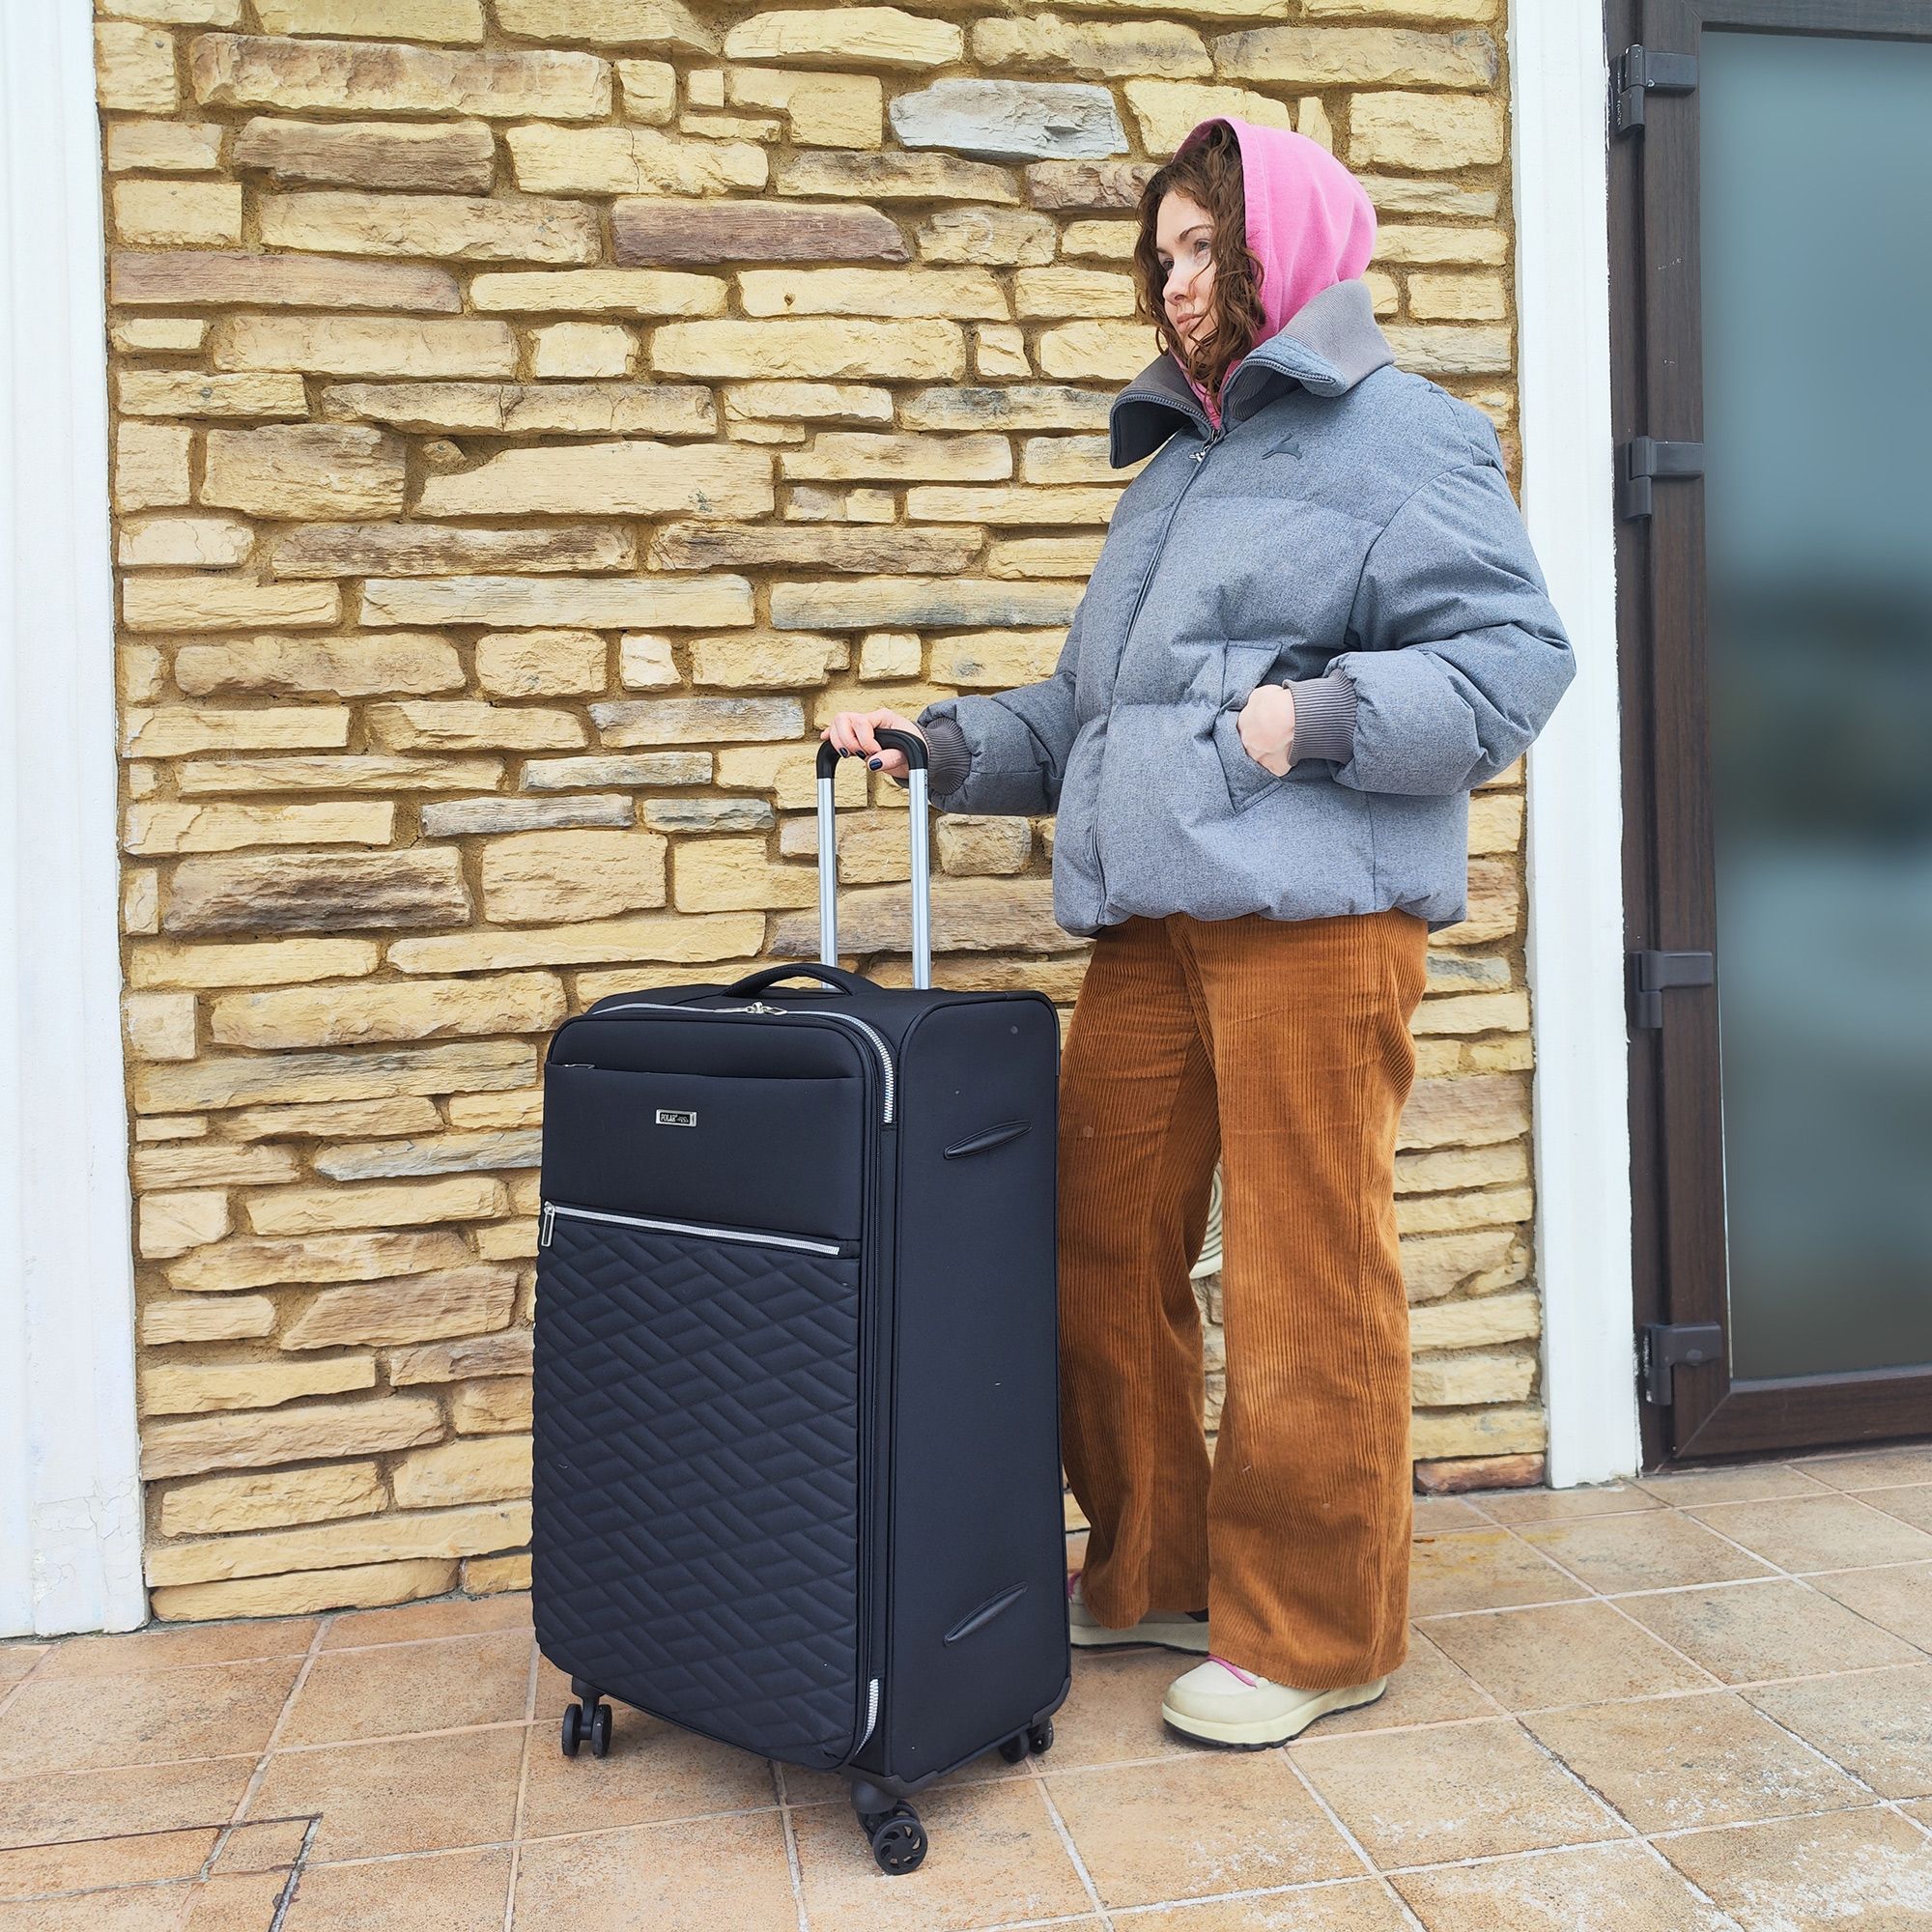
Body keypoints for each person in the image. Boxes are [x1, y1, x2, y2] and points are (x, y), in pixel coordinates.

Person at [822, 117, 1575, 1747]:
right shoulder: (1176, 469)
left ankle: (1317, 1632)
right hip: (1151, 925)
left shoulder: (1409, 438)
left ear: (1280, 250)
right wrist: (943, 746)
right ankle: (1158, 1566)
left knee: (1309, 1270)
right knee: (1097, 1244)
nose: (1174, 283)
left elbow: (1514, 663)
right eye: (1159, 254)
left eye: (1203, 249)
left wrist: (1311, 721)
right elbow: (1094, 714)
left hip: (1317, 923)